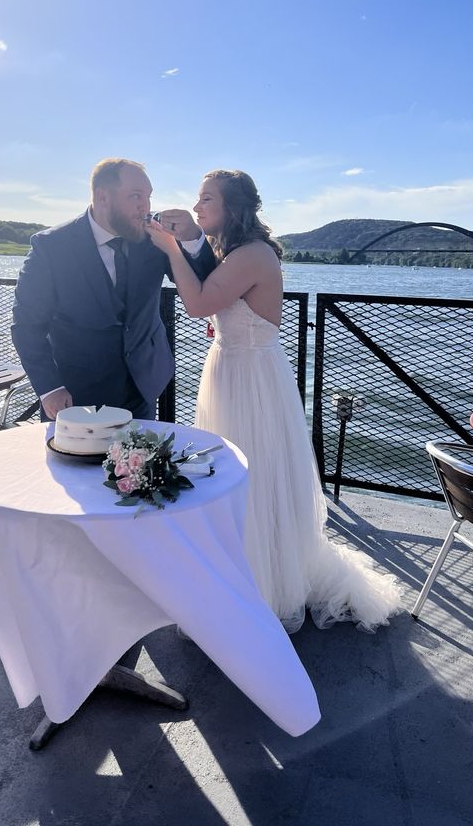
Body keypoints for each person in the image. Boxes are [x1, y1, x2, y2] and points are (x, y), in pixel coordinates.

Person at [147, 169, 403, 633]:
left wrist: (170, 249)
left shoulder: (252, 254)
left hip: (251, 379)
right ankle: (238, 565)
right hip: (230, 368)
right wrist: (188, 242)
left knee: (255, 474)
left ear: (232, 208)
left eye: (207, 199)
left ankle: (262, 583)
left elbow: (198, 304)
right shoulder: (233, 251)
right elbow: (217, 293)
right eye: (198, 199)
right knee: (230, 474)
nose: (198, 206)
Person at [11, 158, 216, 420]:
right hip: (75, 395)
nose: (146, 207)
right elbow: (27, 324)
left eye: (148, 196)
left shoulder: (154, 237)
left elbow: (203, 282)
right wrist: (50, 388)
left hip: (142, 386)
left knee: (143, 449)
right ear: (102, 197)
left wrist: (192, 238)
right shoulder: (51, 247)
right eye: (136, 196)